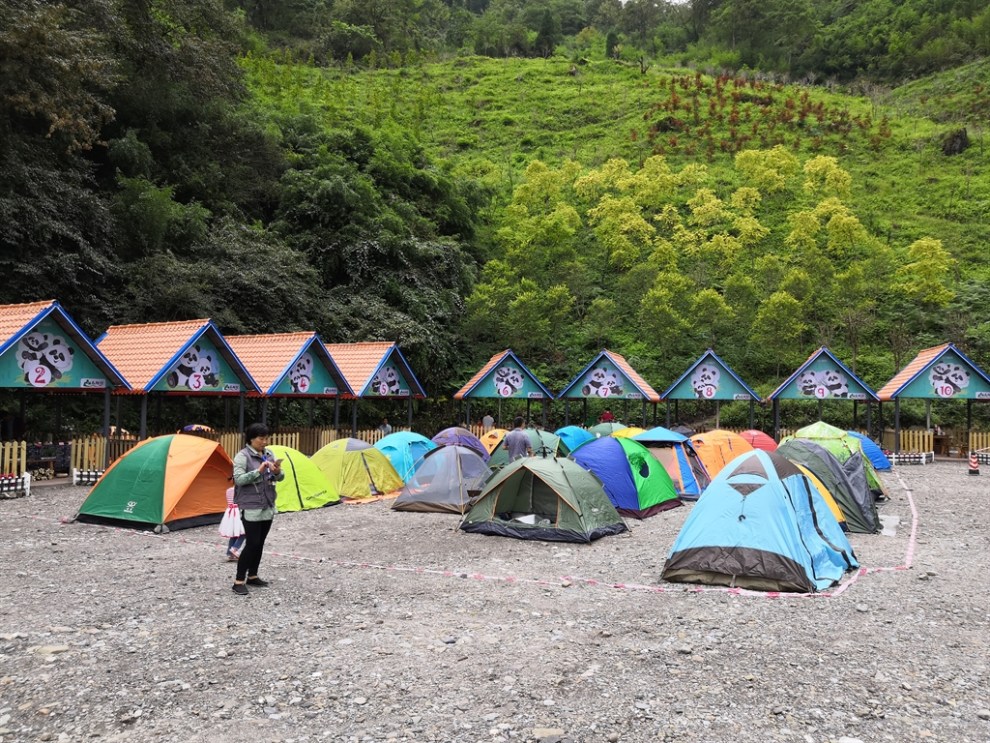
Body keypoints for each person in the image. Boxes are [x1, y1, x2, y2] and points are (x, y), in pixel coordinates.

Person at [231, 422, 284, 595]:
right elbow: (238, 479)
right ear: (251, 439)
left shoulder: (268, 454)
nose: (265, 442)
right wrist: (258, 471)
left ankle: (252, 576)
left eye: (266, 438)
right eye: (261, 438)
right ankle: (239, 580)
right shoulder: (242, 456)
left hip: (267, 503)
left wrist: (276, 471)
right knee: (252, 543)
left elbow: (280, 477)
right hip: (250, 505)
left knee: (260, 543)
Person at [223, 485, 245, 562]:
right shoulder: (241, 490)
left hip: (230, 512)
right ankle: (235, 548)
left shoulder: (228, 490)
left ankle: (230, 554)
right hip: (238, 512)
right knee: (243, 532)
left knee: (234, 534)